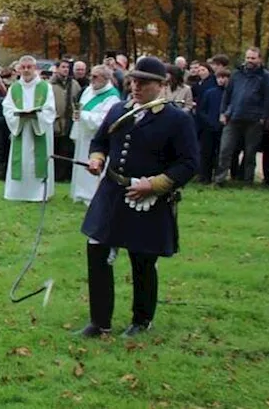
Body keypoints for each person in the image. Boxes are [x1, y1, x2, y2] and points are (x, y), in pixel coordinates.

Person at [78, 56, 198, 338]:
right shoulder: (120, 109)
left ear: (161, 85)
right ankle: (100, 321)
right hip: (111, 193)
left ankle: (141, 321)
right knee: (97, 251)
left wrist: (154, 185)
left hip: (148, 198)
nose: (135, 86)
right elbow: (101, 141)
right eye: (133, 81)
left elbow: (189, 163)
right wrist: (97, 159)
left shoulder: (177, 119)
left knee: (143, 259)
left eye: (143, 82)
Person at [216, 47, 269, 186]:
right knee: (225, 150)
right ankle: (220, 179)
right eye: (248, 57)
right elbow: (227, 94)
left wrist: (263, 116)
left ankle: (248, 181)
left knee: (250, 153)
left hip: (254, 120)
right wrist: (223, 112)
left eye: (253, 58)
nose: (250, 61)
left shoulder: (265, 76)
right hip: (233, 116)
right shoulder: (237, 74)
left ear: (259, 59)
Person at [2, 55, 57, 201]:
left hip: (39, 130)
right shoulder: (14, 88)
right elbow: (7, 108)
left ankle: (39, 194)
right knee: (22, 160)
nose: (26, 70)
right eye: (23, 67)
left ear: (35, 68)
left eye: (29, 67)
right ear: (19, 69)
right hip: (20, 129)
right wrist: (18, 116)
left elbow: (50, 110)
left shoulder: (46, 87)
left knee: (37, 160)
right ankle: (17, 193)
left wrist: (36, 116)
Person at [70, 65, 122, 203]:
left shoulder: (112, 97)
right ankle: (80, 193)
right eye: (91, 75)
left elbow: (103, 121)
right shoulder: (88, 90)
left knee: (93, 165)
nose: (91, 79)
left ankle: (93, 196)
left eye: (95, 76)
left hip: (97, 139)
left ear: (106, 78)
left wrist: (83, 115)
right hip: (83, 134)